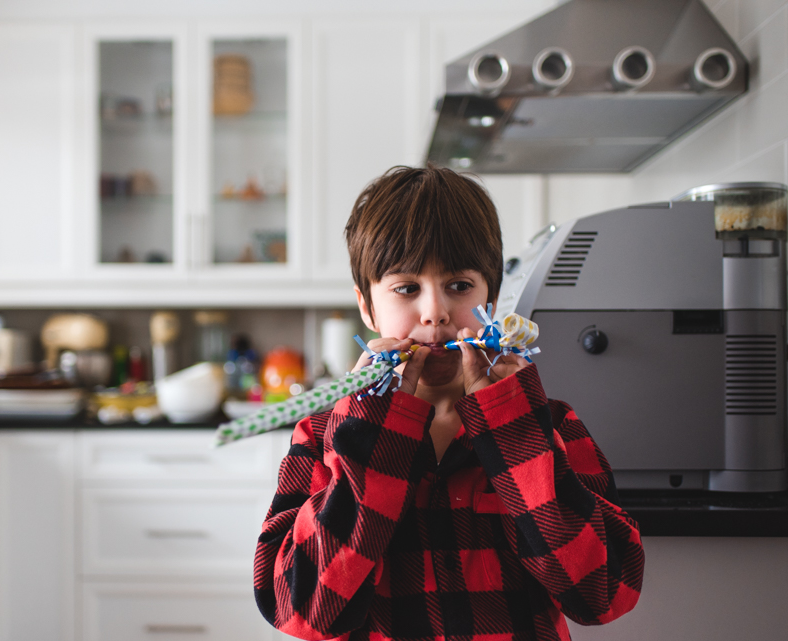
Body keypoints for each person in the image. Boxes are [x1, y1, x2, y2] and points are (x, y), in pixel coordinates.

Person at [253, 165, 644, 641]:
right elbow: (303, 613)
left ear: (492, 300)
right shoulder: (322, 436)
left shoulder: (550, 425)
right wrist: (370, 438)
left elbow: (604, 595)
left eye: (459, 286)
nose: (435, 312)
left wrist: (514, 431)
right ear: (366, 306)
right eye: (406, 288)